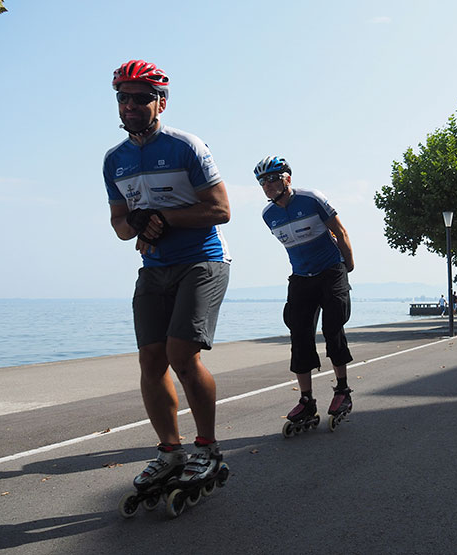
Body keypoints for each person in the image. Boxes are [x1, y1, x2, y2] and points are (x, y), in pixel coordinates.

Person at [103, 60, 232, 490]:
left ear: (161, 102)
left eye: (141, 97)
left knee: (181, 354)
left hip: (202, 260)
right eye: (124, 97)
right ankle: (169, 451)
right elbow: (120, 226)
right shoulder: (114, 160)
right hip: (154, 267)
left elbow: (221, 210)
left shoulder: (186, 146)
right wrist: (138, 223)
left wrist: (164, 217)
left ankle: (209, 448)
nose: (131, 105)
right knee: (151, 360)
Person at [255, 156, 355, 428]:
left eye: (274, 178)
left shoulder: (312, 198)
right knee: (299, 334)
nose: (268, 185)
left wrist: (348, 265)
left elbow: (340, 231)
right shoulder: (268, 215)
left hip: (330, 270)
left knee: (333, 326)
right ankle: (307, 399)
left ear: (288, 177)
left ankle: (342, 390)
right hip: (301, 277)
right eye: (263, 181)